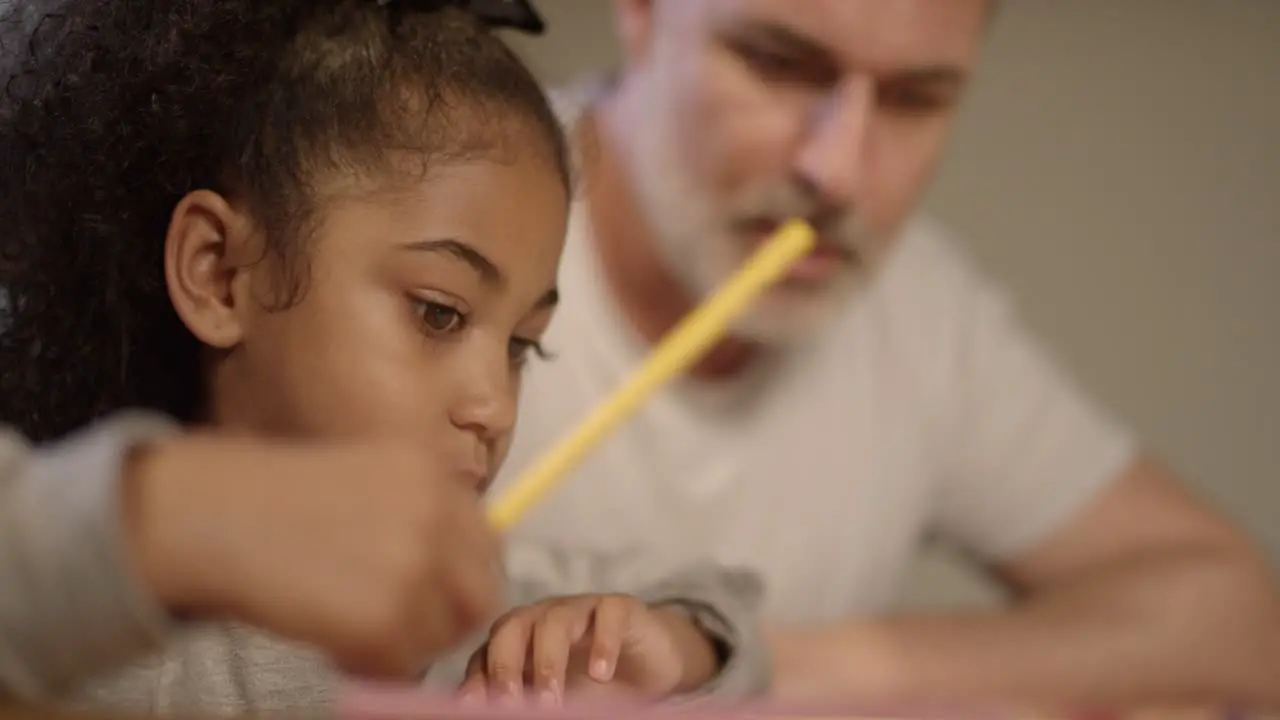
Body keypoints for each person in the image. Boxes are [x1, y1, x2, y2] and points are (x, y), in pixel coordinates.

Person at [489, 0, 1280, 711]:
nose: (836, 174)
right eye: (776, 63)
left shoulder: (916, 312)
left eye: (915, 98)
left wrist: (759, 665)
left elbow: (1240, 620)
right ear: (641, 12)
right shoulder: (434, 211)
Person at [0, 0, 769, 713]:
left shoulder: (473, 597)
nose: (495, 407)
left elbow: (725, 613)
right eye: (438, 314)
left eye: (522, 346)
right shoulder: (98, 647)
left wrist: (665, 644)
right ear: (221, 275)